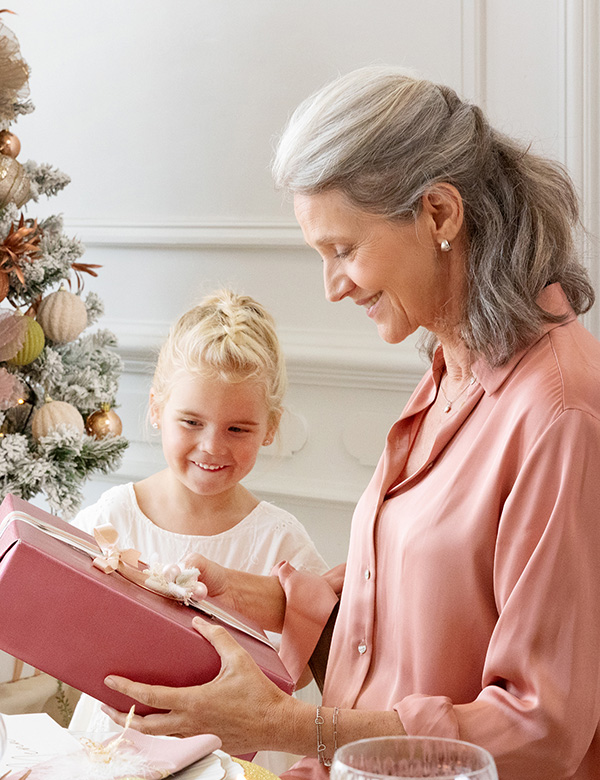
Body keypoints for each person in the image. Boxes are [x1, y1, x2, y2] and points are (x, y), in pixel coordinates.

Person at [99, 67, 600, 780]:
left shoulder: (561, 413)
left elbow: (542, 728)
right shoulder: (450, 368)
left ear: (438, 214)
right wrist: (249, 597)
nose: (332, 286)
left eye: (343, 250)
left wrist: (287, 728)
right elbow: (417, 610)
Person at [69, 289, 327, 773]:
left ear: (270, 427)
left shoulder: (281, 542)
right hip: (113, 750)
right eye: (191, 421)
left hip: (229, 762)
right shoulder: (111, 519)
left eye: (238, 429)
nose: (211, 447)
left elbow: (310, 676)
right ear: (156, 409)